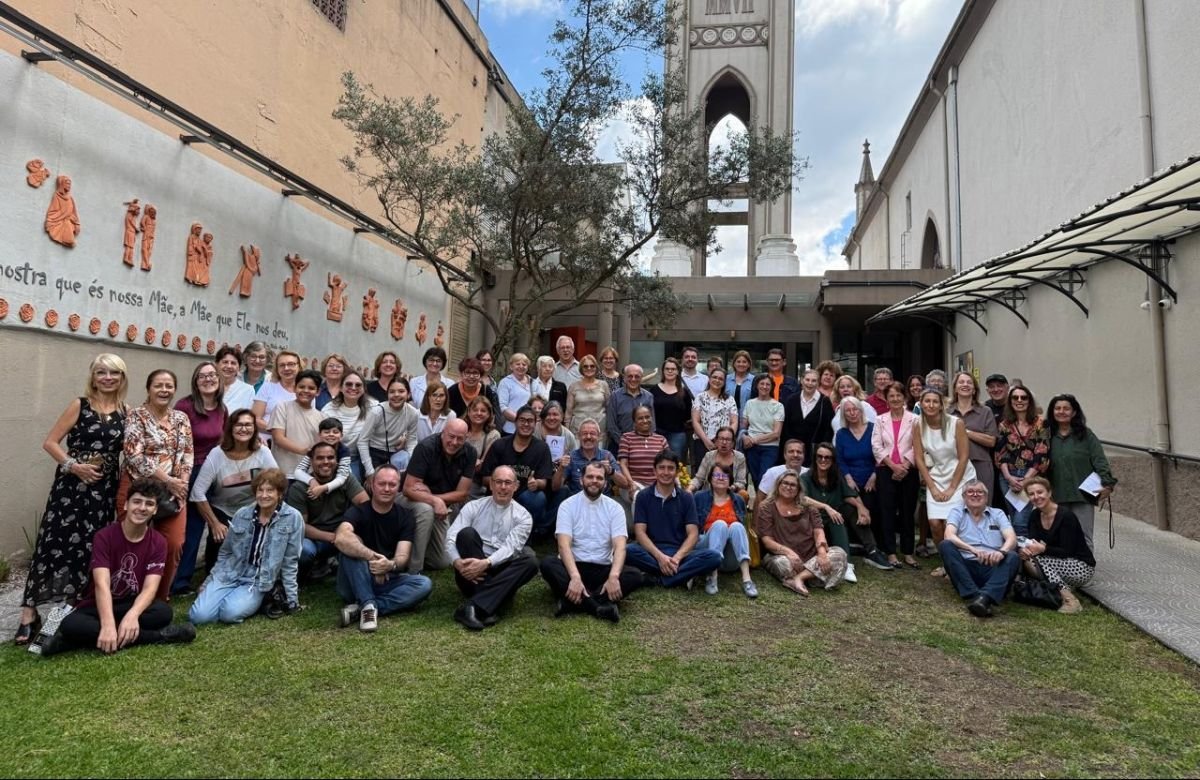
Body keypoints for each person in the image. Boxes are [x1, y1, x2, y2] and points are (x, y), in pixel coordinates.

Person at [17, 354, 128, 646]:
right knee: (52, 545)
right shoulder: (80, 404)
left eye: (114, 373)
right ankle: (28, 614)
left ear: (121, 378)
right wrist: (74, 466)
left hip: (103, 491)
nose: (107, 378)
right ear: (93, 377)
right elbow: (50, 442)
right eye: (101, 372)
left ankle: (60, 614)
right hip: (70, 488)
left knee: (87, 551)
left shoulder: (126, 412)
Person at [34, 479, 196, 656]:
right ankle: (159, 636)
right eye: (137, 501)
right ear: (126, 504)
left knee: (162, 613)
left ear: (155, 510)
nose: (142, 508)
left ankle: (72, 642)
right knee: (71, 623)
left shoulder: (159, 542)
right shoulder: (104, 537)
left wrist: (132, 615)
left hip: (129, 602)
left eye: (149, 504)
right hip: (97, 604)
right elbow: (101, 585)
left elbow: (150, 588)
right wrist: (108, 624)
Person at [189, 468, 303, 624]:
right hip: (231, 573)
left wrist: (292, 600)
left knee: (229, 614)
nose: (264, 495)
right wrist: (208, 581)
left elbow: (290, 562)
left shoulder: (292, 517)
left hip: (257, 580)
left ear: (280, 493)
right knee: (198, 617)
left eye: (270, 490)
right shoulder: (242, 514)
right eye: (260, 490)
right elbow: (226, 552)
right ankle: (225, 595)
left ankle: (256, 598)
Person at [120, 369, 193, 601]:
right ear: (148, 389)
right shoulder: (136, 416)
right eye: (158, 385)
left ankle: (159, 597)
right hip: (137, 486)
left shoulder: (181, 418)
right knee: (131, 541)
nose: (164, 390)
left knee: (173, 542)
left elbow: (187, 455)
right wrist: (168, 480)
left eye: (169, 386)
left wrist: (181, 484)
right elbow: (134, 455)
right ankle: (126, 594)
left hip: (173, 490)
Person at [540, 461, 645, 622]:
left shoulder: (614, 508)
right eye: (590, 477)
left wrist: (614, 576)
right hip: (573, 566)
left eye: (599, 478)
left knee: (635, 575)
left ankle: (571, 602)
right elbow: (563, 545)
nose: (594, 481)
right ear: (581, 480)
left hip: (602, 568)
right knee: (547, 564)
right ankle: (599, 606)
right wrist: (575, 577)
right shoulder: (567, 505)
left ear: (605, 482)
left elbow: (620, 547)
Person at [334, 465, 434, 632]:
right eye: (382, 484)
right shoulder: (357, 511)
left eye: (392, 484)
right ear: (372, 485)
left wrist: (389, 565)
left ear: (399, 488)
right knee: (350, 549)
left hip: (386, 579)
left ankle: (365, 608)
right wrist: (374, 559)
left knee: (424, 584)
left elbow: (402, 556)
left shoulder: (405, 516)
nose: (387, 489)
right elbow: (341, 538)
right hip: (355, 580)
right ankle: (368, 604)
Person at [444, 466, 539, 630]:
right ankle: (493, 601)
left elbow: (511, 548)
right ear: (491, 485)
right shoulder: (473, 507)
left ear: (516, 486)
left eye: (508, 483)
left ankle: (473, 607)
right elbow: (451, 537)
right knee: (466, 534)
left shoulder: (523, 516)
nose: (503, 487)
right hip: (470, 574)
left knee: (530, 561)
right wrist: (457, 562)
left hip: (500, 571)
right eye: (499, 482)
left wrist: (486, 563)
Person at [190, 409, 279, 575]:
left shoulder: (262, 452)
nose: (243, 429)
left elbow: (278, 482)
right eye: (239, 425)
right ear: (230, 428)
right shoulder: (217, 454)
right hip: (223, 509)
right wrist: (214, 524)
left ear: (254, 429)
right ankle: (213, 577)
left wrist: (266, 511)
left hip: (253, 507)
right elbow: (197, 493)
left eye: (248, 425)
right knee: (220, 537)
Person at [626, 451, 723, 589]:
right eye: (662, 467)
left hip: (680, 553)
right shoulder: (643, 496)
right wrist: (660, 558)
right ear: (655, 470)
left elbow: (693, 534)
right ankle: (680, 577)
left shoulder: (686, 498)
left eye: (671, 468)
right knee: (628, 550)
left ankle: (660, 579)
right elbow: (640, 533)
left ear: (677, 472)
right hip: (652, 552)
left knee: (714, 557)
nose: (666, 472)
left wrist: (676, 559)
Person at [173, 362, 227, 595]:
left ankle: (189, 578)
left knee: (201, 526)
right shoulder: (185, 406)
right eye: (203, 376)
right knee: (184, 528)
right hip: (188, 472)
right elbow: (175, 441)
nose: (208, 379)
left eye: (213, 375)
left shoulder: (221, 408)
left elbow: (223, 441)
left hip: (211, 472)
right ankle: (174, 580)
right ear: (195, 381)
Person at [912, 386, 975, 577]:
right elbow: (919, 459)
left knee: (951, 523)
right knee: (935, 525)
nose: (930, 405)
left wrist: (952, 488)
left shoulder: (956, 423)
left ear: (941, 405)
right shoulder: (917, 426)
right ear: (921, 404)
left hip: (960, 477)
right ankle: (947, 563)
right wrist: (932, 485)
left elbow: (964, 457)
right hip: (936, 477)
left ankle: (961, 565)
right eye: (927, 401)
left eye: (935, 401)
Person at [400, 419, 477, 573]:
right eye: (451, 436)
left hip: (438, 503)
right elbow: (408, 489)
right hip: (408, 500)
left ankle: (407, 552)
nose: (454, 442)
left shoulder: (470, 453)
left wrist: (435, 498)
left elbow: (462, 494)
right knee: (426, 509)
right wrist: (434, 501)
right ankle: (415, 570)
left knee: (442, 561)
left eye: (460, 438)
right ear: (443, 433)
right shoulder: (426, 447)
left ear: (466, 438)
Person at [756, 469, 847, 595]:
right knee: (782, 564)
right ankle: (813, 575)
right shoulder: (766, 507)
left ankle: (799, 578)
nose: (788, 487)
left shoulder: (809, 507)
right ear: (778, 485)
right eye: (785, 483)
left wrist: (821, 553)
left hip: (811, 555)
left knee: (839, 554)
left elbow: (819, 532)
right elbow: (767, 541)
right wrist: (789, 553)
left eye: (793, 485)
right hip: (783, 555)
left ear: (799, 489)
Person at [804, 442, 886, 579]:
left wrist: (861, 507)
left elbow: (848, 495)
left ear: (832, 460)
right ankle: (847, 558)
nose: (823, 460)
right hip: (814, 522)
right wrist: (826, 506)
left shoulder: (836, 477)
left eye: (827, 457)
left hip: (834, 519)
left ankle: (866, 553)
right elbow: (802, 498)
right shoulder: (806, 477)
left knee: (846, 511)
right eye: (819, 456)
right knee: (836, 516)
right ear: (814, 458)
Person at [1045, 394, 1116, 551]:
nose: (1061, 411)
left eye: (1066, 408)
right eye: (1057, 408)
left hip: (1082, 495)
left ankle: (1085, 569)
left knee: (1083, 535)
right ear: (1052, 412)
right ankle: (1064, 570)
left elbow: (1099, 460)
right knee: (1059, 535)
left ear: (1074, 412)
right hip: (1056, 495)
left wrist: (1108, 484)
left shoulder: (1085, 435)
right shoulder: (1046, 436)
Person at [939, 480, 1020, 618]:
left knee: (1012, 556)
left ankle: (982, 599)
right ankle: (979, 596)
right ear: (964, 497)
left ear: (986, 497)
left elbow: (1012, 538)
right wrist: (972, 550)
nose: (975, 495)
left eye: (979, 492)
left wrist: (1001, 552)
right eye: (970, 492)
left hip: (993, 567)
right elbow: (949, 535)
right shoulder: (957, 512)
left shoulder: (998, 513)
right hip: (967, 567)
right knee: (945, 545)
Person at [286, 441, 369, 571]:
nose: (326, 462)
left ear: (337, 460)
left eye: (330, 457)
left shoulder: (346, 478)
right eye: (320, 458)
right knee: (304, 550)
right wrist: (333, 537)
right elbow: (301, 526)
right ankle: (311, 571)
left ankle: (339, 564)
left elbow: (365, 504)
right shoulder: (299, 487)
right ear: (311, 462)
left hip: (342, 531)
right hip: (314, 538)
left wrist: (347, 528)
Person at [1021, 477, 1095, 614]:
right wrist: (1026, 551)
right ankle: (1061, 587)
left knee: (1040, 561)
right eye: (1031, 494)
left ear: (1049, 493)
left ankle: (1070, 600)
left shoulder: (1066, 516)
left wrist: (1043, 549)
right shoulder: (1034, 516)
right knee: (1027, 560)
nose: (1036, 497)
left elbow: (1068, 551)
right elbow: (1033, 543)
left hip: (1081, 566)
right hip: (1057, 562)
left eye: (1040, 492)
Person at [481, 407, 555, 538]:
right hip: (500, 493)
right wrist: (500, 482)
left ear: (535, 423)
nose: (526, 424)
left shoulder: (542, 448)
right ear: (515, 422)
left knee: (538, 499)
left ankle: (525, 536)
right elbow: (485, 477)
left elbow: (544, 481)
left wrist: (536, 483)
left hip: (525, 495)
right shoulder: (500, 445)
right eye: (522, 420)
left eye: (530, 421)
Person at [871, 382, 920, 569]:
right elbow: (876, 445)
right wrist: (893, 466)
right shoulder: (879, 419)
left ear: (904, 397)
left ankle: (908, 552)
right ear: (887, 399)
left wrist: (905, 465)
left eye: (899, 395)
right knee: (887, 510)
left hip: (909, 470)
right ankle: (890, 552)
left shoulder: (915, 419)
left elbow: (919, 445)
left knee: (907, 511)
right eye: (891, 396)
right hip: (886, 470)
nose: (895, 399)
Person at [693, 464, 757, 597]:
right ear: (710, 479)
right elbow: (693, 528)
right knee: (720, 525)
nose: (720, 478)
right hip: (706, 549)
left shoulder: (738, 499)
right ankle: (712, 575)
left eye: (724, 475)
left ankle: (747, 579)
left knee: (737, 526)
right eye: (717, 475)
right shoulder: (699, 497)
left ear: (730, 480)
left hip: (730, 558)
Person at [995, 385, 1050, 526]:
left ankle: (1021, 547)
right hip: (1008, 476)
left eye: (1023, 397)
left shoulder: (1041, 423)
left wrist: (1026, 480)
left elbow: (1042, 452)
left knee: (1021, 521)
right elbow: (1000, 453)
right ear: (1010, 401)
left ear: (1029, 401)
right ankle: (1018, 547)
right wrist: (1008, 478)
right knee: (1013, 518)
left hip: (1030, 475)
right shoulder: (1004, 424)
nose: (1019, 400)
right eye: (1015, 397)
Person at [949, 371, 999, 497]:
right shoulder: (946, 412)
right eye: (961, 382)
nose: (965, 385)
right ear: (955, 388)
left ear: (974, 390)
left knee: (982, 505)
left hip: (980, 465)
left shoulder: (985, 411)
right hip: (952, 465)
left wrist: (965, 432)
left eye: (969, 382)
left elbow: (991, 441)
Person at [358, 377, 419, 480]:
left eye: (401, 391)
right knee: (374, 486)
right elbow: (362, 441)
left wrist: (411, 462)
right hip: (373, 452)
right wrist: (369, 471)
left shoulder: (413, 413)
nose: (396, 395)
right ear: (387, 394)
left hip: (395, 452)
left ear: (408, 394)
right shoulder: (376, 412)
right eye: (392, 392)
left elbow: (412, 440)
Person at [269, 369, 324, 478]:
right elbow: (278, 438)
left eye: (311, 388)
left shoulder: (322, 417)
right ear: (295, 388)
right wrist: (304, 451)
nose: (306, 391)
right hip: (284, 472)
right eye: (301, 387)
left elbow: (320, 444)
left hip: (309, 474)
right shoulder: (282, 408)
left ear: (318, 392)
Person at [321, 370, 375, 480]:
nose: (353, 388)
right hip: (334, 457)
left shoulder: (373, 407)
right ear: (340, 387)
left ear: (364, 389)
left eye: (358, 385)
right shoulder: (329, 409)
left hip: (361, 457)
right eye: (349, 384)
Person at [780, 369, 834, 468]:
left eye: (814, 381)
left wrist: (823, 450)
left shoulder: (825, 402)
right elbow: (785, 427)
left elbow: (828, 430)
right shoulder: (791, 400)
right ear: (802, 380)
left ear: (818, 383)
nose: (810, 383)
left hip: (814, 453)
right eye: (807, 380)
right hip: (793, 452)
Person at [565, 418, 628, 496]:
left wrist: (611, 471)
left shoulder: (607, 455)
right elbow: (555, 487)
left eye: (592, 433)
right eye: (584, 433)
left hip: (603, 502)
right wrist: (561, 468)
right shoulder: (571, 456)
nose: (588, 437)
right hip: (577, 502)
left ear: (599, 436)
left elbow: (624, 484)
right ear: (579, 436)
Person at [741, 374, 784, 486]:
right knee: (755, 478)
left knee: (764, 478)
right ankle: (759, 503)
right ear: (757, 386)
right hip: (751, 448)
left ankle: (764, 503)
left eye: (768, 384)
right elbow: (744, 426)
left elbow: (776, 433)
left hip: (770, 448)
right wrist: (744, 437)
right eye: (762, 384)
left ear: (772, 387)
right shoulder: (749, 403)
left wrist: (754, 440)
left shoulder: (778, 406)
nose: (765, 386)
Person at [691, 367, 738, 470]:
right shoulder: (700, 397)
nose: (717, 380)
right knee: (702, 475)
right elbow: (696, 421)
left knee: (723, 475)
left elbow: (734, 422)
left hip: (724, 444)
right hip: (702, 442)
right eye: (714, 377)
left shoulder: (730, 399)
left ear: (724, 382)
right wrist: (706, 440)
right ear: (709, 378)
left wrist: (726, 439)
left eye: (720, 379)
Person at [618, 405, 669, 497]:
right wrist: (631, 483)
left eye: (647, 417)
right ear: (634, 421)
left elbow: (668, 463)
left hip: (657, 484)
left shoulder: (661, 439)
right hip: (634, 485)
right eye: (640, 418)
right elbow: (623, 464)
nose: (645, 421)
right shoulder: (626, 438)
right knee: (640, 497)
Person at [650, 356, 693, 462]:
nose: (670, 371)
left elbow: (688, 414)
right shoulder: (654, 390)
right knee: (656, 462)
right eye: (667, 369)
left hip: (677, 434)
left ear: (678, 371)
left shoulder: (684, 392)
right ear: (663, 371)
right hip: (657, 433)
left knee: (676, 463)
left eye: (673, 369)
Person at [250, 350, 299, 440]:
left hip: (293, 443)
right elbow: (255, 419)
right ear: (277, 369)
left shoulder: (306, 392)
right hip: (265, 441)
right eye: (282, 365)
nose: (286, 368)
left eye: (291, 364)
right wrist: (278, 431)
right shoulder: (268, 387)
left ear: (299, 366)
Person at [606, 363, 655, 452]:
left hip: (643, 445)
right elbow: (611, 425)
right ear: (624, 378)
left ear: (641, 378)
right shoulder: (615, 396)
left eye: (637, 376)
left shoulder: (648, 397)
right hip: (619, 446)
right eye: (630, 376)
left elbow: (652, 424)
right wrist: (624, 443)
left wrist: (648, 442)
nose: (633, 379)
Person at [690, 427, 749, 498]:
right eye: (721, 439)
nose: (724, 442)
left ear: (733, 443)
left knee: (743, 494)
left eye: (728, 440)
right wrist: (690, 488)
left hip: (731, 495)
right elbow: (699, 479)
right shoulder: (709, 456)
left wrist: (730, 488)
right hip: (709, 495)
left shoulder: (740, 457)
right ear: (716, 441)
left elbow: (741, 483)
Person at [565, 354, 610, 436]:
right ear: (581, 369)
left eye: (592, 366)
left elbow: (609, 408)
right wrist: (567, 432)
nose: (589, 368)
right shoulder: (573, 386)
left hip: (599, 431)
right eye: (585, 366)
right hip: (577, 431)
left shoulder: (604, 385)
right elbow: (568, 412)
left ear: (596, 368)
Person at [464, 396, 502, 486]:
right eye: (475, 410)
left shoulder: (493, 435)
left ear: (489, 414)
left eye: (483, 411)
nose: (479, 413)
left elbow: (482, 466)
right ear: (469, 412)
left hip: (475, 483)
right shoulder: (461, 429)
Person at [498, 353, 533, 434]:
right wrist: (520, 420)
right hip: (510, 429)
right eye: (517, 364)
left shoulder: (533, 382)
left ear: (527, 367)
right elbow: (502, 406)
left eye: (524, 364)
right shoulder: (505, 382)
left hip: (530, 429)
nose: (521, 366)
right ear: (511, 366)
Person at [215, 345, 256, 413]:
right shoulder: (209, 386)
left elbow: (249, 418)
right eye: (225, 362)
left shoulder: (248, 390)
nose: (229, 366)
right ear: (216, 364)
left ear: (239, 368)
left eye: (233, 363)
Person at [725, 350, 756, 423]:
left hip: (747, 419)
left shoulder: (754, 380)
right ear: (734, 364)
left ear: (749, 364)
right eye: (738, 361)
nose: (741, 364)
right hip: (727, 418)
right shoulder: (726, 379)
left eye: (744, 362)